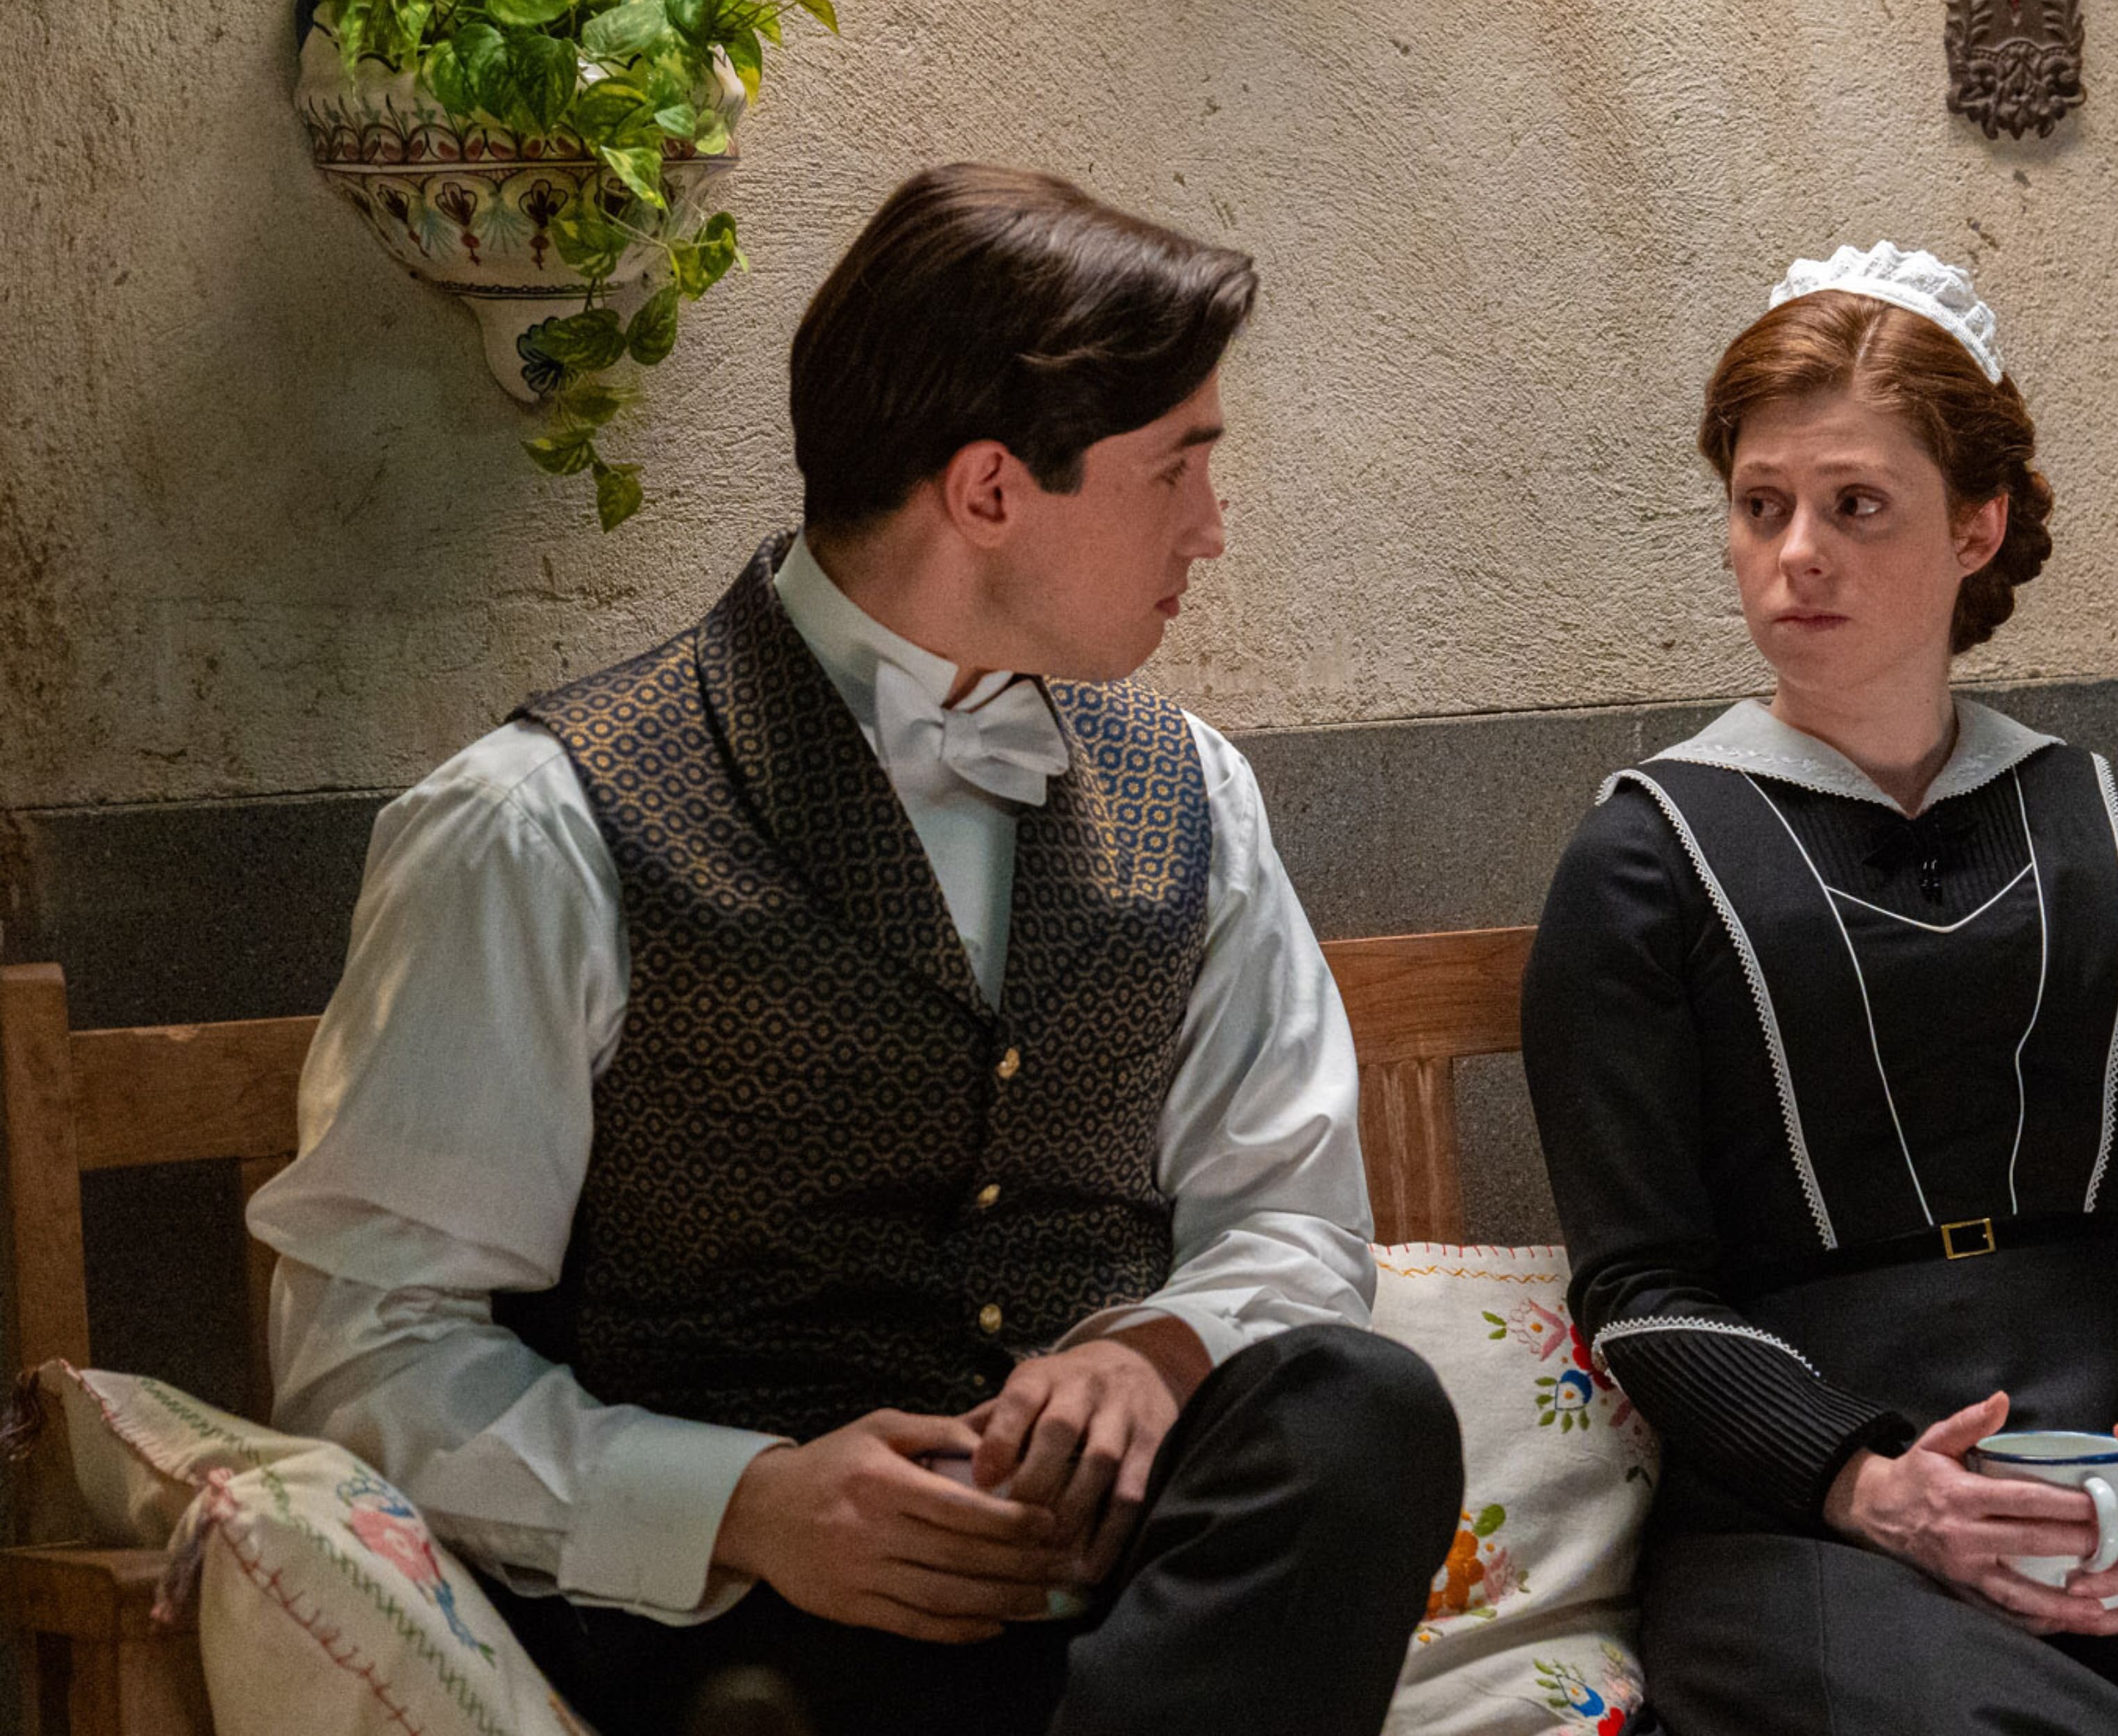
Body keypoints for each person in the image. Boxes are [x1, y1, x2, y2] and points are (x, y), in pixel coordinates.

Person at [248, 163, 1462, 1736]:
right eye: (1178, 468)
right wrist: (746, 1503)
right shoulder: (532, 826)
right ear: (989, 492)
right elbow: (371, 1349)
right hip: (755, 1620)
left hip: (1127, 1607)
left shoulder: (1197, 795)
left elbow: (1291, 1215)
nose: (1213, 529)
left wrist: (1158, 1354)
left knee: (1362, 1413)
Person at [1519, 242, 2118, 1735]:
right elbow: (1639, 1286)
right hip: (1806, 1512)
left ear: (1976, 526)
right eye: (1761, 505)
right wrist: (1869, 1485)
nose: (1797, 551)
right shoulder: (1643, 860)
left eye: (1855, 504)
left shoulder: (2111, 831)